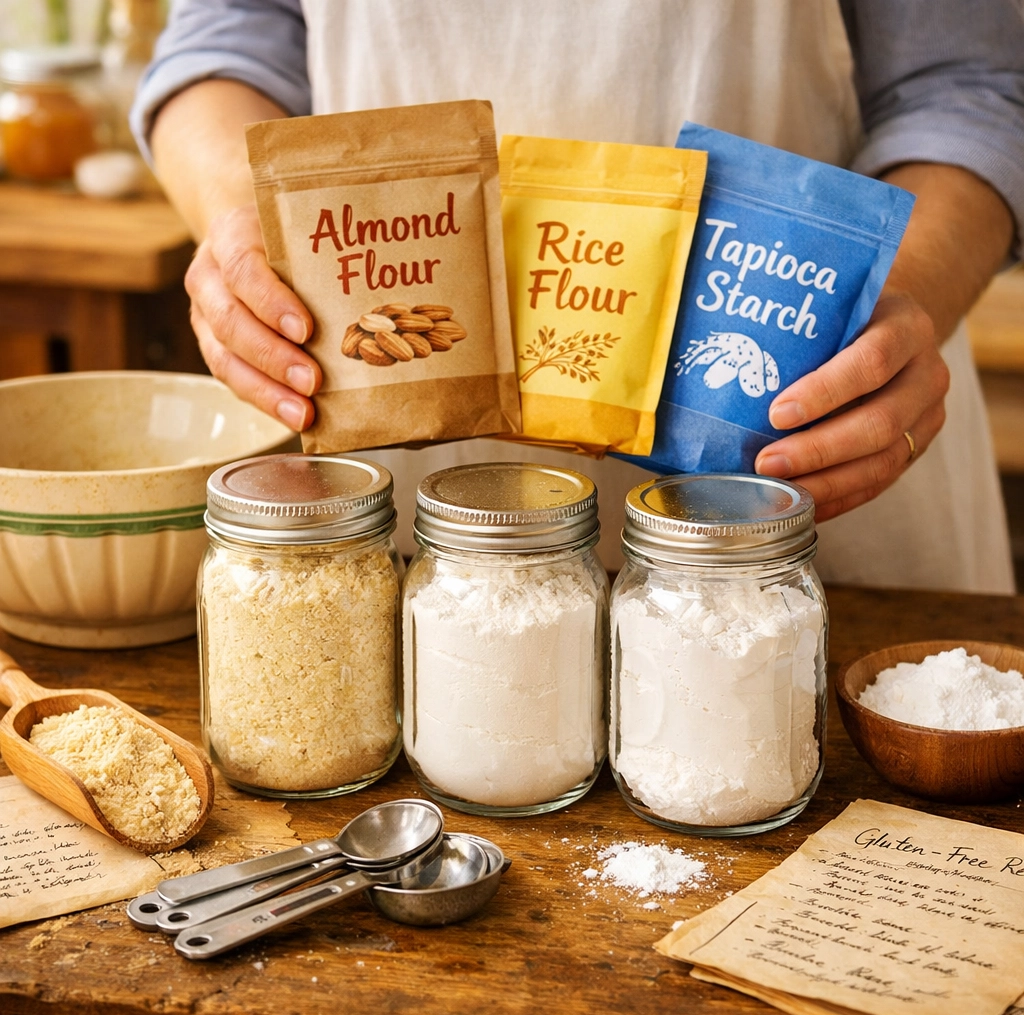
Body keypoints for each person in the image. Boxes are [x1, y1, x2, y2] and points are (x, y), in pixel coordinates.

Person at [131, 0, 1024, 592]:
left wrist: (898, 297)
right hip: (411, 488)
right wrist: (243, 216)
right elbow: (225, 40)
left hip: (799, 458)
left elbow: (972, 88)